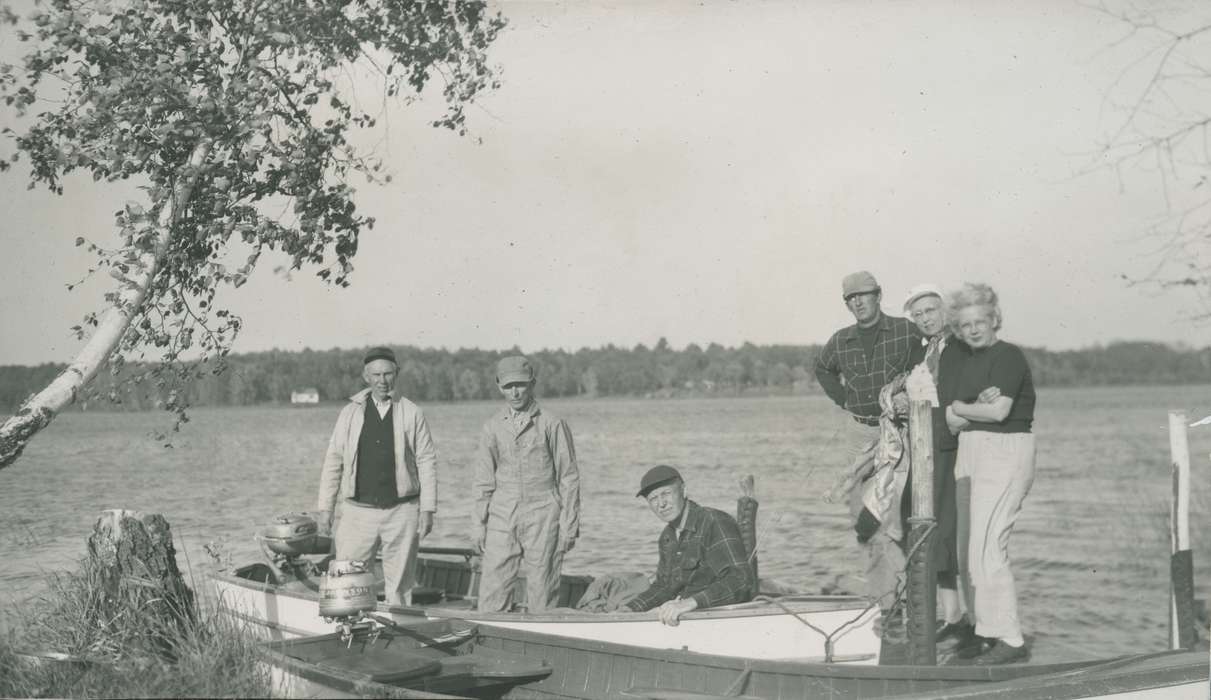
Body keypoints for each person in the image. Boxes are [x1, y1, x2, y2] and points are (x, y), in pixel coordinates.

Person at [814, 271, 924, 611]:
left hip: (898, 434)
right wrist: (844, 399)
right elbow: (822, 369)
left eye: (863, 295)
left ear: (878, 295)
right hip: (859, 434)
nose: (858, 302)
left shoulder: (905, 331)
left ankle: (902, 599)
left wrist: (908, 395)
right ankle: (884, 601)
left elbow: (927, 370)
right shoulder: (841, 340)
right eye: (851, 299)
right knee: (863, 521)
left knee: (892, 518)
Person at [942, 283, 1037, 665]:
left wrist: (963, 409)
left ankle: (1010, 640)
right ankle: (987, 631)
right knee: (970, 552)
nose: (974, 330)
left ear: (994, 319)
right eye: (965, 325)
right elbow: (949, 421)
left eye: (980, 321)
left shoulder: (1008, 356)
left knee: (990, 547)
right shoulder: (968, 362)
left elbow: (999, 413)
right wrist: (965, 409)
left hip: (1006, 451)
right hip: (971, 454)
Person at [316, 346, 438, 606]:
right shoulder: (349, 413)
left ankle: (397, 635)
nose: (383, 381)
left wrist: (428, 510)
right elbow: (333, 460)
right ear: (366, 376)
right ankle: (350, 638)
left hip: (403, 511)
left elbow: (427, 461)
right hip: (357, 513)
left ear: (397, 374)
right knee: (347, 583)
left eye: (388, 374)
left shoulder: (411, 412)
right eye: (377, 375)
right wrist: (325, 509)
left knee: (400, 589)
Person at [472, 355, 581, 612]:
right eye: (508, 386)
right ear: (499, 386)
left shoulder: (552, 424)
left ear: (532, 384)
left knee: (542, 594)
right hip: (502, 515)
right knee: (491, 594)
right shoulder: (492, 427)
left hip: (544, 514)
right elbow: (483, 482)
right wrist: (478, 525)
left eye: (521, 385)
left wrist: (569, 525)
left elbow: (569, 477)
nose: (515, 392)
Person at [901, 284, 967, 644]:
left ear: (944, 311)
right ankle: (952, 616)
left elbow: (957, 395)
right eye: (919, 314)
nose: (925, 318)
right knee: (929, 528)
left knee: (948, 531)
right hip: (927, 444)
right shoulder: (926, 350)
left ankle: (963, 619)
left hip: (950, 444)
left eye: (930, 310)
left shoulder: (956, 347)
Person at [624, 465, 753, 626]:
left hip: (718, 620)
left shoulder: (715, 522)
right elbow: (664, 587)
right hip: (685, 617)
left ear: (684, 491)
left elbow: (741, 580)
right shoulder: (667, 537)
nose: (661, 503)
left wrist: (689, 603)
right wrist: (628, 610)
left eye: (666, 493)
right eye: (653, 499)